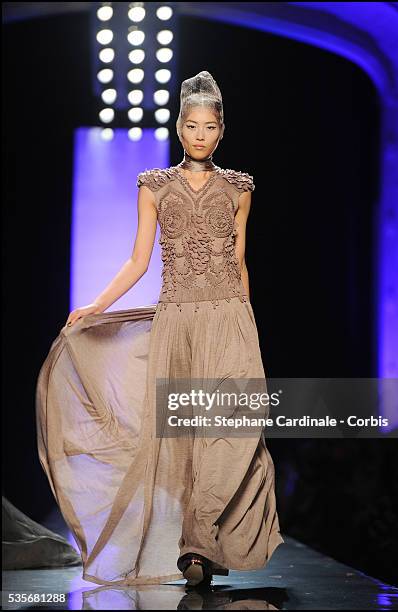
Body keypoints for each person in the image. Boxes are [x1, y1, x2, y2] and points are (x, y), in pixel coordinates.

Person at [36, 70, 284, 588]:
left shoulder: (239, 189)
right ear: (178, 127)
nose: (200, 134)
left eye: (210, 126)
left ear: (221, 130)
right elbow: (138, 260)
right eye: (192, 125)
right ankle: (196, 547)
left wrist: (249, 324)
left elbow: (240, 262)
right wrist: (96, 304)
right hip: (177, 320)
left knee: (233, 431)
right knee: (184, 437)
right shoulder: (155, 187)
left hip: (231, 318)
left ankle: (204, 540)